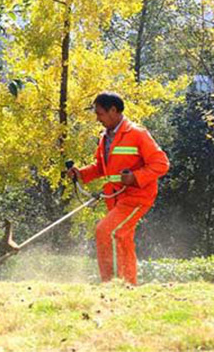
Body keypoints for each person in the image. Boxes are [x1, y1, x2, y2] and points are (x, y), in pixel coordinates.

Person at [67, 92, 169, 285]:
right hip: (114, 198)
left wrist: (135, 178)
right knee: (122, 237)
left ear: (113, 110)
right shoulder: (105, 137)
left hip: (137, 197)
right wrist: (80, 173)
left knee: (107, 231)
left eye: (100, 114)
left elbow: (161, 164)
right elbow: (100, 167)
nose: (97, 119)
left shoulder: (137, 134)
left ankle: (111, 283)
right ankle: (129, 283)